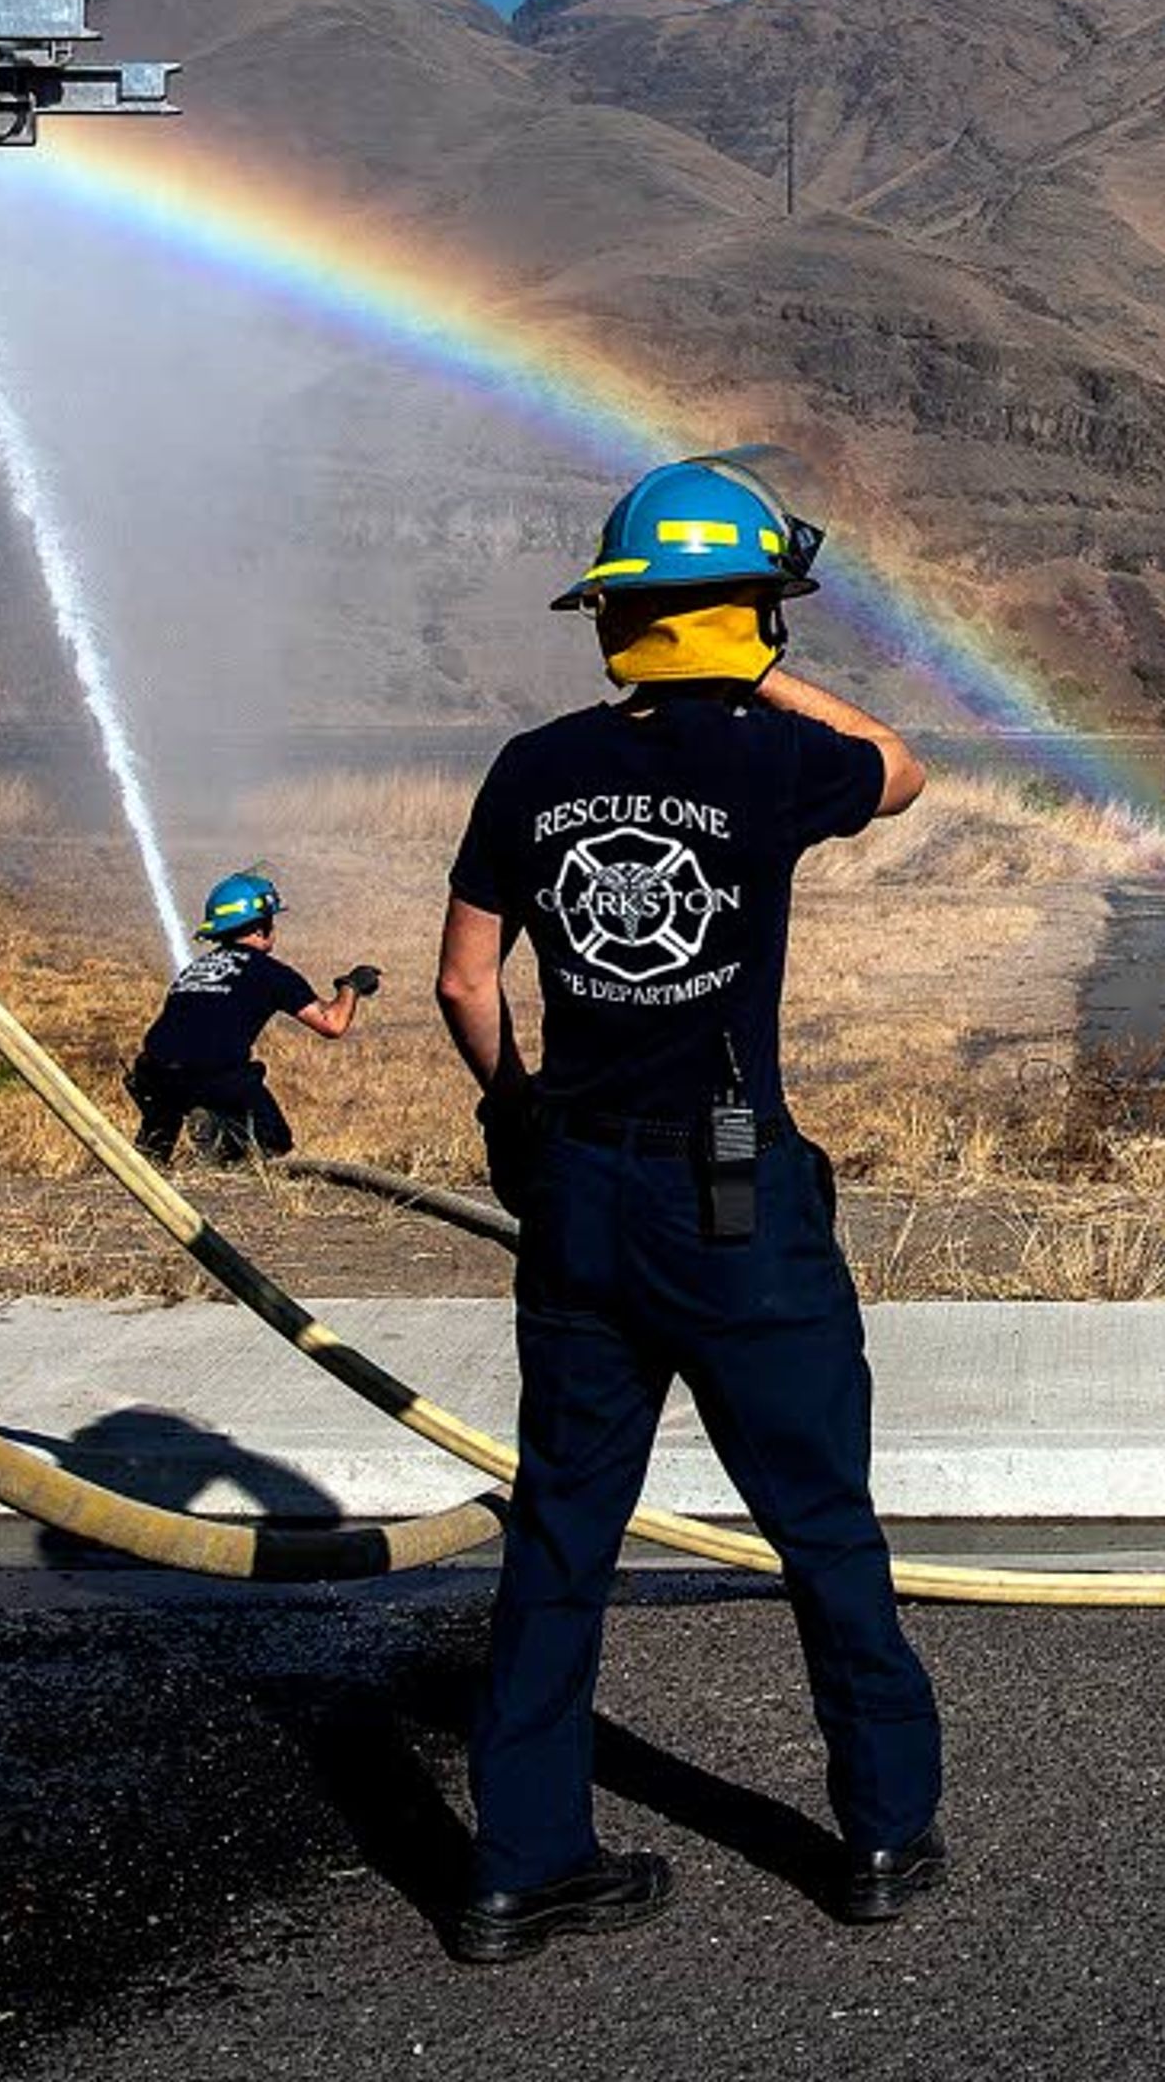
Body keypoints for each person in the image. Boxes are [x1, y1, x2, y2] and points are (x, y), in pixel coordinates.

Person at [432, 455, 942, 1966]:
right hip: (733, 1197)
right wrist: (772, 677)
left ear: (617, 613)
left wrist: (518, 1116)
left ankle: (519, 1870)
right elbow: (901, 766)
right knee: (820, 1523)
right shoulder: (775, 764)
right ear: (755, 615)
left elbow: (468, 979)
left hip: (579, 1183)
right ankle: (878, 1836)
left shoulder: (531, 765)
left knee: (561, 1532)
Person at [124, 872, 377, 1165]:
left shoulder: (195, 969)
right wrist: (352, 985)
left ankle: (145, 1160)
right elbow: (332, 1023)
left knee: (158, 1137)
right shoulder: (268, 972)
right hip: (212, 1075)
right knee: (272, 1141)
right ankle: (219, 1131)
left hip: (152, 1073)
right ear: (260, 928)